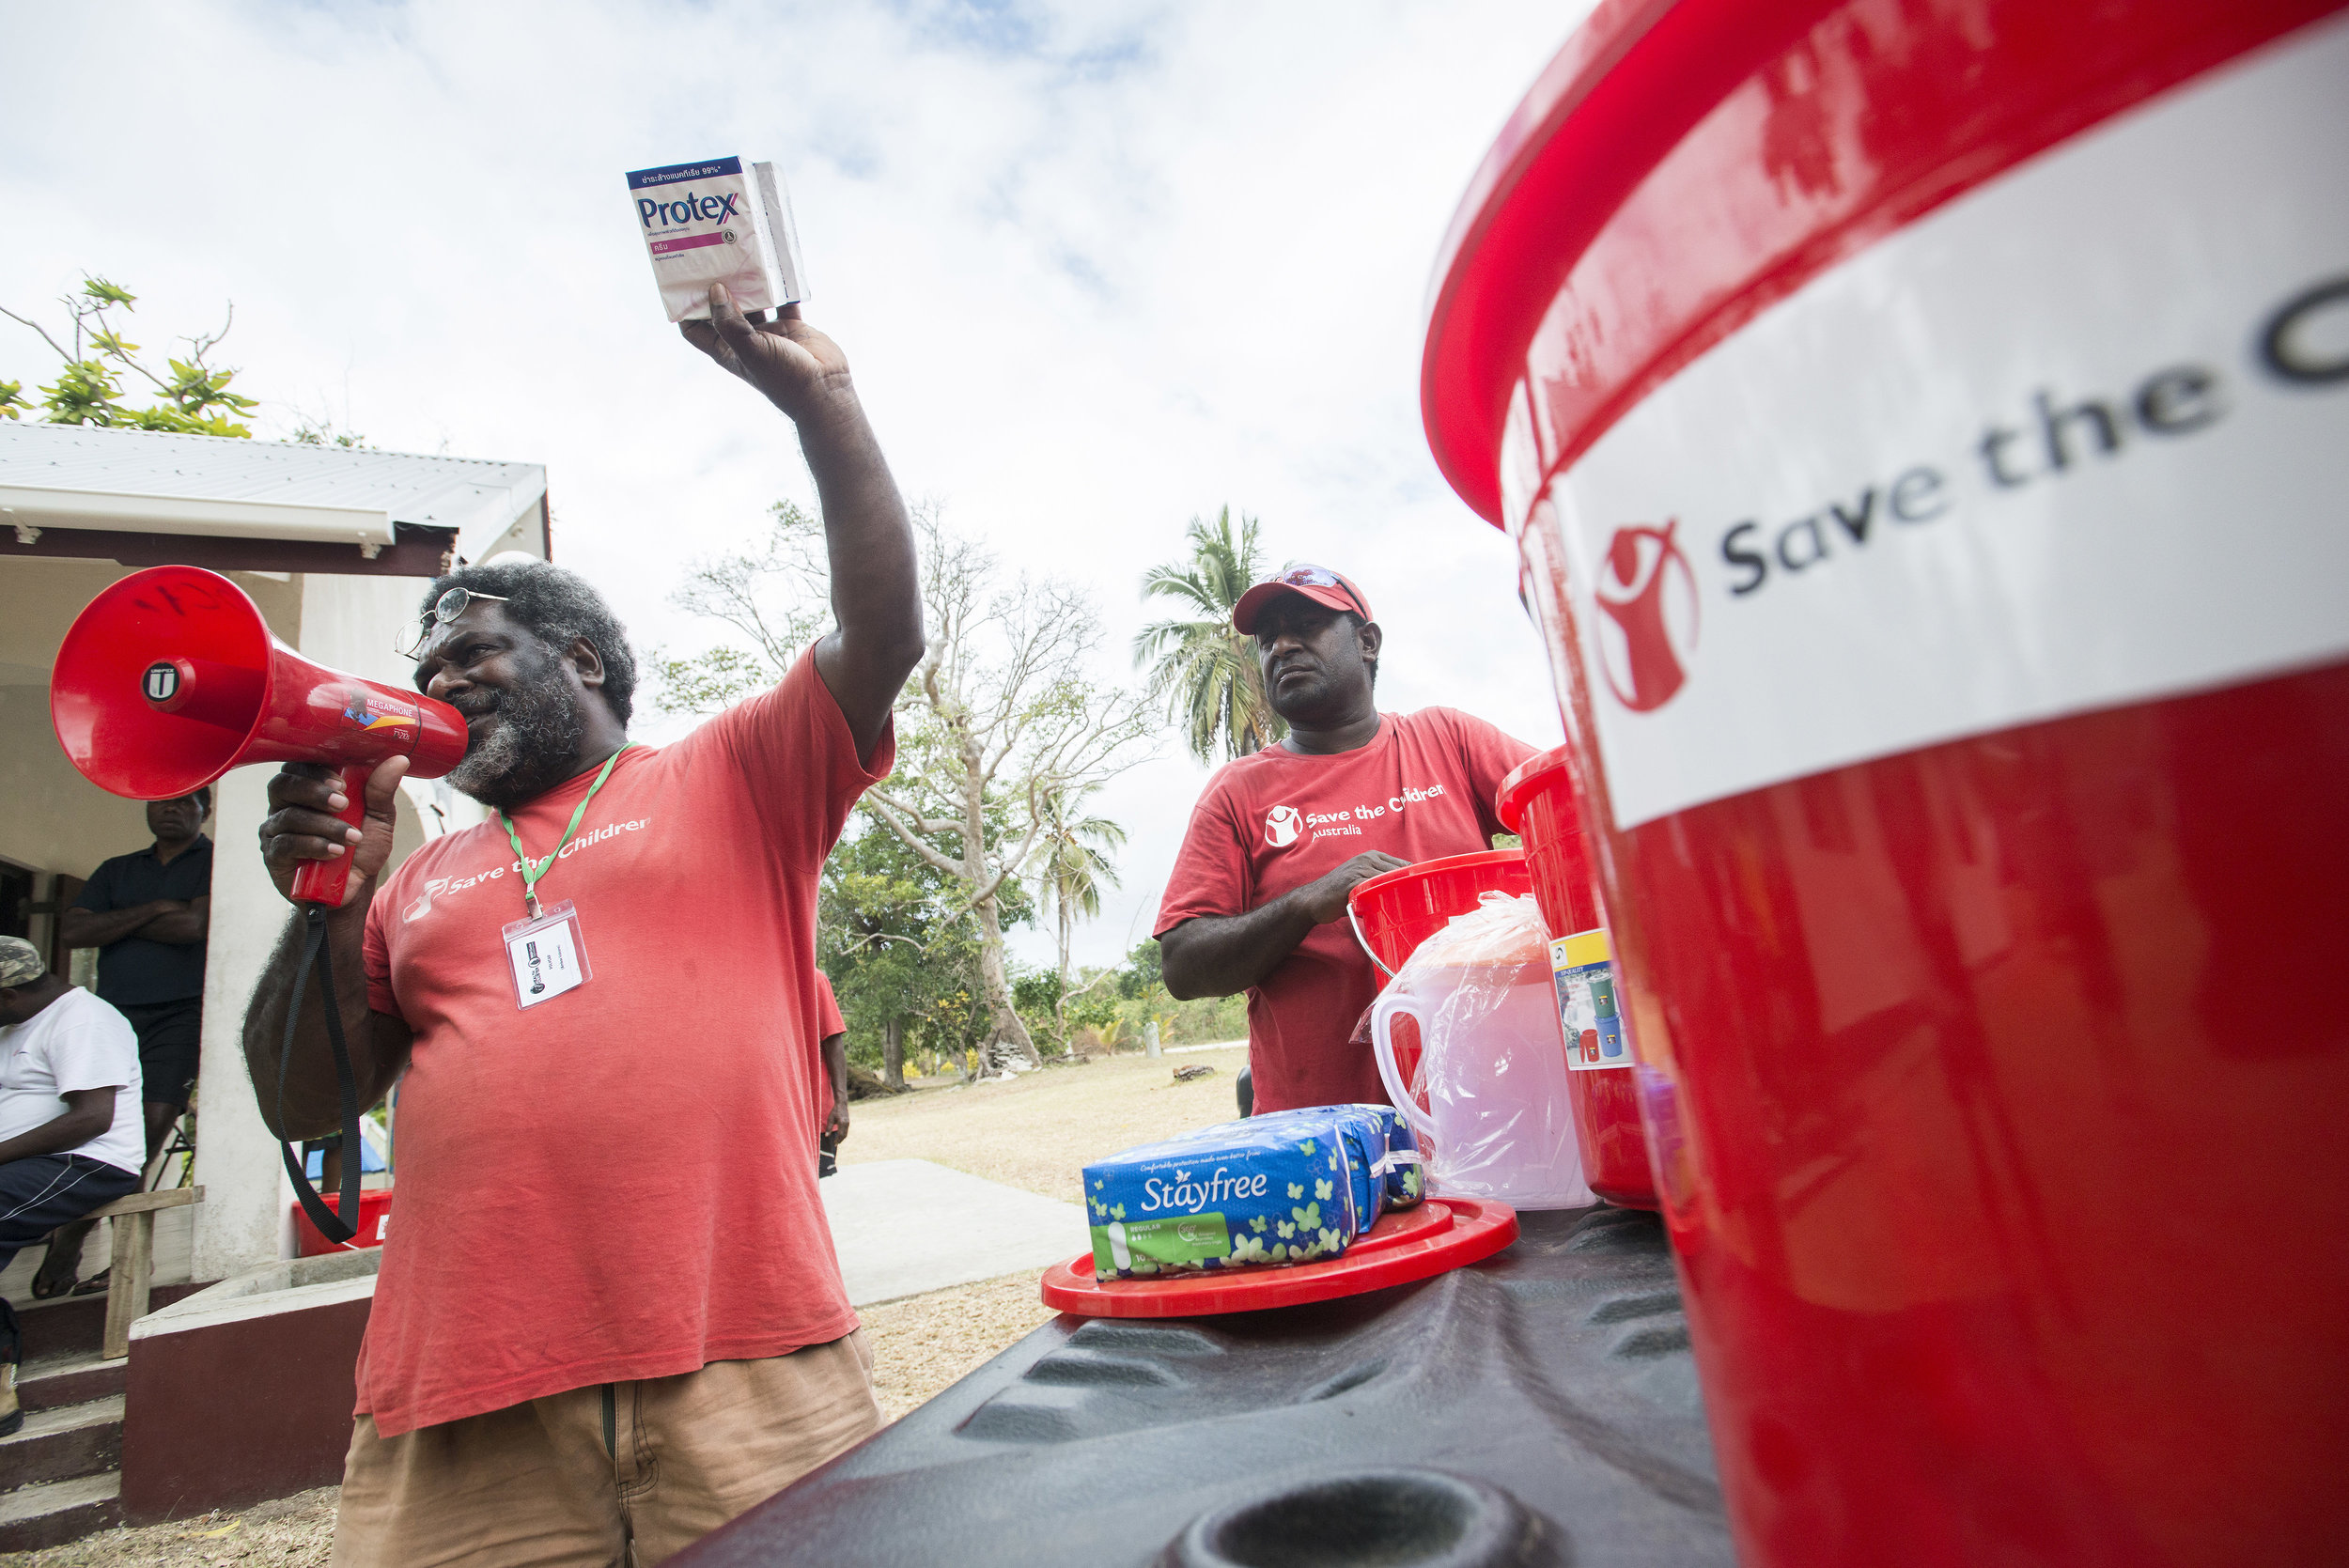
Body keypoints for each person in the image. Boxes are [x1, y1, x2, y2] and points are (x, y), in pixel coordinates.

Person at [241, 282, 925, 1566]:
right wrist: (326, 901)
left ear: (588, 665)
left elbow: (881, 632)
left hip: (749, 1362)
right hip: (465, 1401)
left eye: (475, 650)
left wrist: (820, 401)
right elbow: (300, 1101)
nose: (439, 679)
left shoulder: (731, 773)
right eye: (427, 665)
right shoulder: (413, 878)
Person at [1156, 567, 1536, 1114]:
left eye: (1306, 625)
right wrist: (1305, 904)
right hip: (1326, 1141)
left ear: (1367, 643)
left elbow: (1568, 810)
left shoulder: (1447, 739)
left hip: (1491, 1113)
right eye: (1267, 641)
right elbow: (1183, 967)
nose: (1282, 647)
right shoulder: (1237, 793)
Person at [35, 788, 212, 1297]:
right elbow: (73, 932)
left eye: (184, 803)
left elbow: (194, 926)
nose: (170, 810)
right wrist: (157, 907)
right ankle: (71, 1240)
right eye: (161, 803)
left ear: (206, 810)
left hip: (180, 1015)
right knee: (95, 1127)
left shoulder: (212, 862)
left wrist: (117, 923)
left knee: (149, 1130)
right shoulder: (117, 868)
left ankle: (90, 1245)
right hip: (113, 1016)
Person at [0, 938, 147, 1436]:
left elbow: (92, 1119)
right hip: (30, 1162)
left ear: (7, 995)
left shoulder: (81, 1020)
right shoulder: (16, 1025)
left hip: (88, 1160)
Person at [814, 970, 849, 1177]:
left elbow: (833, 1041)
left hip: (818, 1119)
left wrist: (841, 1104)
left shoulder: (815, 979)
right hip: (776, 1119)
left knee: (817, 1192)